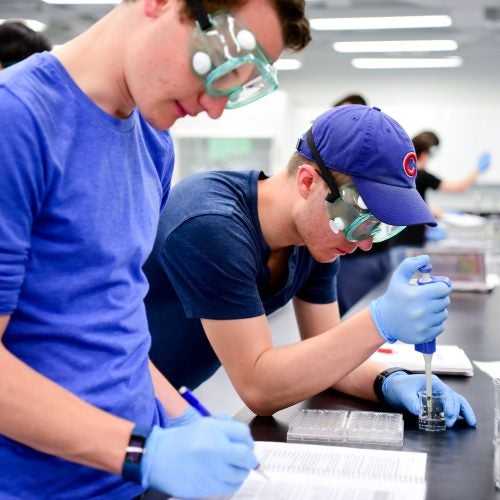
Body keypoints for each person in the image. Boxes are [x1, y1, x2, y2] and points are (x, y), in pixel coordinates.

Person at [0, 0, 311, 498]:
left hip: (129, 472)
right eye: (217, 66)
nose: (214, 107)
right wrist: (143, 452)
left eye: (237, 87)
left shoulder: (153, 140)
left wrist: (182, 418)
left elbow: (111, 322)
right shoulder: (16, 121)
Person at [145, 105, 476, 429]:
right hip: (109, 398)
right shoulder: (211, 223)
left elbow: (330, 358)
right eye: (359, 221)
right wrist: (379, 321)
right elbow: (259, 387)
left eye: (380, 228)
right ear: (307, 182)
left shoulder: (316, 238)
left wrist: (390, 381)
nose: (363, 244)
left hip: (160, 396)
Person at [332, 93, 394, 315]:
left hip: (379, 254)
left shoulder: (381, 157)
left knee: (373, 315)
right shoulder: (332, 164)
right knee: (352, 318)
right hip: (349, 258)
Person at [391, 130, 491, 251]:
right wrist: (478, 170)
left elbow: (413, 203)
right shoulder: (421, 175)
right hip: (409, 243)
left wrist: (439, 213)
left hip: (400, 240)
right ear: (426, 153)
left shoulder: (404, 173)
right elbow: (459, 187)